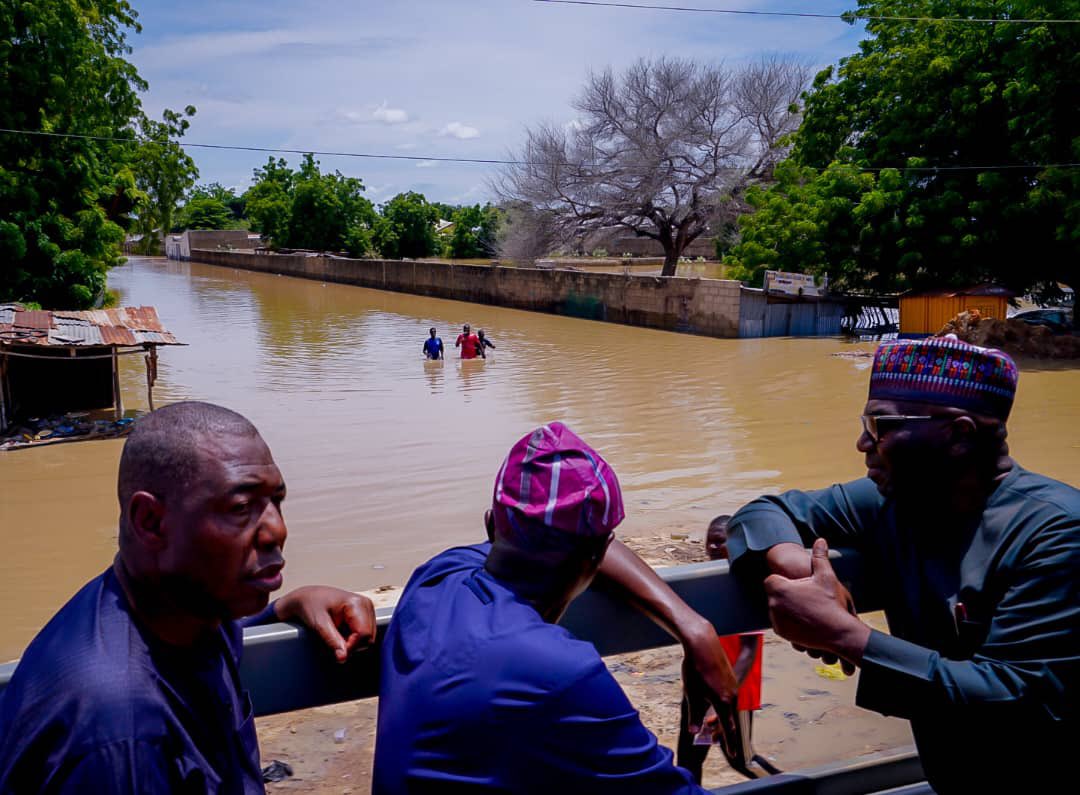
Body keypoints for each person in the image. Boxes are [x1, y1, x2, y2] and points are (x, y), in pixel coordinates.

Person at [724, 337, 1079, 794]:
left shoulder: (1056, 533)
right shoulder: (893, 501)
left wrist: (844, 636)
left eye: (882, 424)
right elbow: (763, 512)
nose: (863, 443)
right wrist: (800, 565)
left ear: (959, 435)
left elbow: (1012, 698)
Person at [0, 402, 377, 793]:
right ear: (150, 521)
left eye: (276, 502)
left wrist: (289, 604)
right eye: (241, 507)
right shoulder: (124, 737)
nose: (276, 530)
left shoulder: (185, 611)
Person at [373, 422, 739, 794]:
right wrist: (693, 625)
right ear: (594, 557)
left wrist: (693, 627)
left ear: (489, 526)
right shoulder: (560, 672)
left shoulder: (438, 577)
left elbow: (580, 546)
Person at [677, 515, 775, 782]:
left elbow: (748, 651)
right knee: (688, 761)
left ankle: (791, 787)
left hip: (734, 691)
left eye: (719, 542)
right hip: (699, 689)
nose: (711, 548)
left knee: (742, 760)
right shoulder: (701, 582)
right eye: (709, 542)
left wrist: (725, 693)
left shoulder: (743, 585)